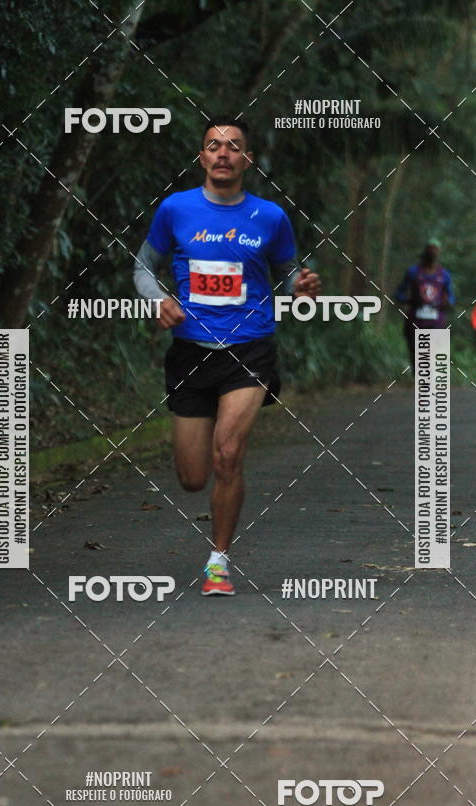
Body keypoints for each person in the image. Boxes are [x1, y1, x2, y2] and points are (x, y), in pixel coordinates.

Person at [133, 115, 320, 596]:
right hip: (190, 353)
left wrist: (303, 285)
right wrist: (158, 299)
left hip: (249, 349)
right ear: (201, 157)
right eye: (213, 145)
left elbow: (289, 271)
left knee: (229, 455)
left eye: (233, 146)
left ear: (247, 159)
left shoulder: (270, 217)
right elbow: (143, 266)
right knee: (193, 477)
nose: (223, 153)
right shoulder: (176, 210)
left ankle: (219, 562)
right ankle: (213, 535)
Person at [394, 238, 455, 369]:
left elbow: (451, 297)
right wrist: (410, 301)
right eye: (430, 249)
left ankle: (429, 381)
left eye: (435, 250)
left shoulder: (444, 275)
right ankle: (421, 381)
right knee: (416, 354)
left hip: (436, 321)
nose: (432, 253)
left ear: (438, 254)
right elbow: (399, 294)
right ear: (425, 252)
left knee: (434, 354)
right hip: (415, 320)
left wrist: (446, 302)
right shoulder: (413, 272)